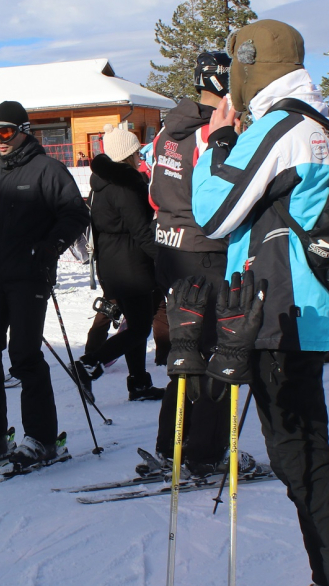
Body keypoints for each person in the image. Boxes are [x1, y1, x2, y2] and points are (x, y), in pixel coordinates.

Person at [190, 20, 329, 584]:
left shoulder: (282, 125)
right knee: (300, 454)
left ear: (253, 67)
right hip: (306, 310)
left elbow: (213, 210)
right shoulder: (321, 120)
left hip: (281, 313)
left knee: (301, 459)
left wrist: (220, 141)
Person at [0, 101, 89, 473]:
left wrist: (49, 246)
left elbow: (77, 213)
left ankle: (43, 439)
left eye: (5, 132)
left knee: (24, 355)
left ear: (23, 131)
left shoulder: (48, 170)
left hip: (30, 275)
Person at [140, 50, 237, 479]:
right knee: (216, 352)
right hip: (202, 249)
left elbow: (154, 190)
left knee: (186, 350)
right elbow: (225, 194)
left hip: (170, 245)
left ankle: (172, 443)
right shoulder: (211, 130)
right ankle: (204, 452)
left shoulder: (166, 131)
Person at [72, 124, 166, 403]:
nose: (140, 156)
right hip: (131, 267)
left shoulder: (101, 185)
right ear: (127, 155)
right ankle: (90, 365)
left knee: (135, 324)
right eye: (137, 151)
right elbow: (142, 232)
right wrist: (166, 260)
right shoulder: (125, 187)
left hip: (113, 265)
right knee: (139, 328)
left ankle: (138, 383)